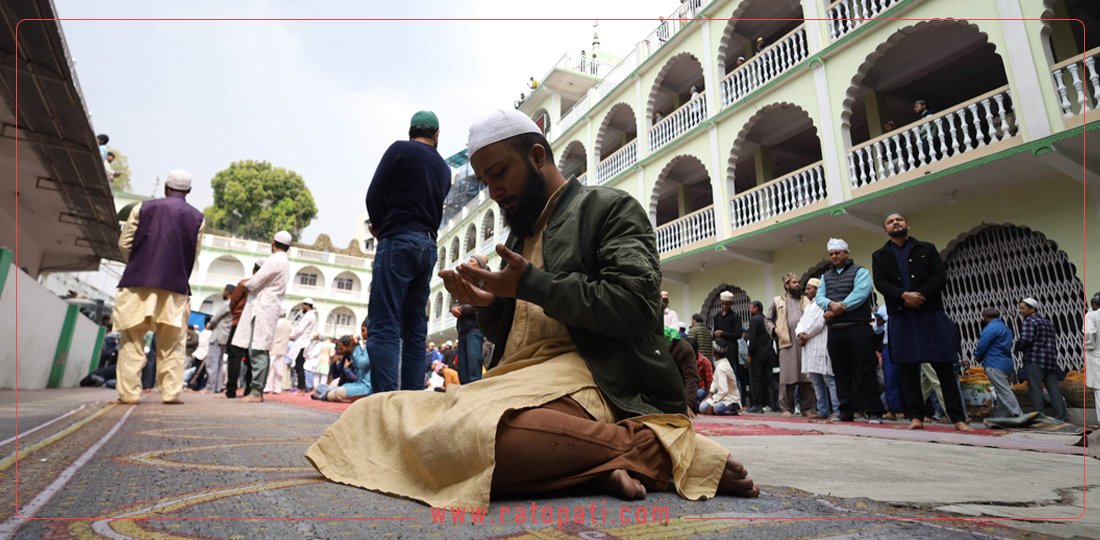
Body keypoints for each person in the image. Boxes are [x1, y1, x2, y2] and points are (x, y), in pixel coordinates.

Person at [306, 108, 757, 510]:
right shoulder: (520, 239)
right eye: (485, 181)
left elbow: (637, 307)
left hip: (595, 381)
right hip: (520, 383)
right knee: (375, 412)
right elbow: (523, 331)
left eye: (501, 173)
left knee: (481, 438)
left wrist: (534, 284)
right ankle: (604, 462)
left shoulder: (608, 208)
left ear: (537, 156)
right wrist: (489, 306)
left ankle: (652, 446)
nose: (495, 191)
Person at [365, 110, 452, 393]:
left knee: (385, 322)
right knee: (415, 327)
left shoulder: (400, 150)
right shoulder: (443, 168)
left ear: (411, 131)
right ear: (436, 135)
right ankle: (413, 400)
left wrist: (380, 226)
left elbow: (374, 194)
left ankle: (385, 401)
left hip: (398, 239)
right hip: (427, 246)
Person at [112, 169, 204, 405]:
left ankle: (129, 394)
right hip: (174, 286)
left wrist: (139, 262)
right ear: (189, 191)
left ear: (165, 187)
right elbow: (194, 253)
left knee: (132, 338)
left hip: (137, 282)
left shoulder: (142, 208)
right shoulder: (197, 217)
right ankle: (171, 393)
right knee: (171, 342)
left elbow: (125, 243)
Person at [871, 214, 971, 431]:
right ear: (885, 230)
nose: (896, 223)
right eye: (890, 221)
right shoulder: (880, 256)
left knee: (943, 366)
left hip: (930, 313)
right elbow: (880, 282)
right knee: (907, 369)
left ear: (908, 224)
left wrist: (920, 296)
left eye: (899, 219)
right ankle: (916, 417)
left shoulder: (926, 248)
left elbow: (939, 276)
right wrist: (903, 296)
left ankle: (958, 418)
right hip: (901, 316)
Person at [816, 238, 885, 423]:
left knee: (866, 370)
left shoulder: (860, 272)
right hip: (836, 331)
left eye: (837, 253)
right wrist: (830, 304)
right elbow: (819, 297)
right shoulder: (825, 277)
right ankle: (846, 411)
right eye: (831, 254)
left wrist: (841, 307)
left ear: (846, 253)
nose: (834, 256)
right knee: (841, 372)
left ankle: (874, 411)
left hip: (858, 328)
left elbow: (861, 293)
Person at [229, 231, 292, 403]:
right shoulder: (283, 261)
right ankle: (256, 389)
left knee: (258, 349)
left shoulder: (275, 259)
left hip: (264, 307)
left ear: (273, 243)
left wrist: (245, 284)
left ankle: (257, 391)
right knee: (257, 348)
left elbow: (255, 282)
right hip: (266, 307)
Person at [766, 273, 815, 418]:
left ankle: (807, 408)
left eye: (799, 282)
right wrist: (775, 330)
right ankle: (787, 408)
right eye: (794, 282)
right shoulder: (778, 301)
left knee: (806, 377)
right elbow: (767, 320)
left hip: (805, 343)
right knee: (787, 378)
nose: (798, 285)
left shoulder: (805, 300)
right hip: (786, 343)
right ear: (786, 285)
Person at [795, 278, 839, 420]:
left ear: (818, 289)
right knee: (816, 382)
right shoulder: (808, 307)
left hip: (820, 345)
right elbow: (800, 323)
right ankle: (823, 410)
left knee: (829, 380)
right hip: (808, 347)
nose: (806, 291)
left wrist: (805, 335)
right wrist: (800, 333)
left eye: (809, 288)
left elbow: (819, 323)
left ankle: (838, 410)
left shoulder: (823, 304)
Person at [1016, 297, 1067, 421]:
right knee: (1054, 389)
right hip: (1050, 362)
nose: (1020, 311)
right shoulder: (1047, 322)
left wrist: (1018, 345)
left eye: (1023, 308)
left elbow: (1026, 340)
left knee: (1035, 389)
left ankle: (1040, 417)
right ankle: (1061, 416)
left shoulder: (1029, 321)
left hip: (1034, 360)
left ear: (1032, 309)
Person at [974, 307, 1023, 418]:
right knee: (1000, 390)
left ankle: (1018, 415)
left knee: (1004, 390)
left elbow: (982, 345)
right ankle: (1002, 416)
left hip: (994, 363)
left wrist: (977, 357)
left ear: (985, 317)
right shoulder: (1005, 328)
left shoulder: (990, 328)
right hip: (1006, 363)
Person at [452, 255, 488, 384]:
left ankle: (474, 391)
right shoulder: (465, 282)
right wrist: (454, 308)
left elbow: (479, 303)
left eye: (472, 261)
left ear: (479, 265)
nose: (468, 263)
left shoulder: (482, 282)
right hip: (462, 329)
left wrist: (462, 309)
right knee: (463, 366)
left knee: (473, 363)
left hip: (474, 329)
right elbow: (456, 300)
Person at [746, 301, 777, 413]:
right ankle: (777, 403)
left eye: (751, 307)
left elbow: (753, 340)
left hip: (757, 355)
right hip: (768, 353)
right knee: (770, 379)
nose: (749, 309)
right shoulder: (766, 319)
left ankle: (757, 404)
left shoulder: (754, 320)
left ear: (756, 308)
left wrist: (749, 354)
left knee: (756, 380)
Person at [203, 285, 234, 393]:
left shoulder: (226, 304)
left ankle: (210, 387)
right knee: (220, 364)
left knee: (212, 363)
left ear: (227, 292)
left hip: (217, 336)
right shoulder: (234, 305)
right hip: (225, 337)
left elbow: (215, 318)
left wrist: (209, 325)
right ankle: (216, 387)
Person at [288, 298, 317, 393]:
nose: (302, 307)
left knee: (299, 365)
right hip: (303, 342)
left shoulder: (308, 316)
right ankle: (302, 387)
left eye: (303, 305)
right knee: (299, 364)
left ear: (306, 305)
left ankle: (301, 388)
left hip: (302, 342)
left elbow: (300, 329)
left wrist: (292, 336)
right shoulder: (311, 315)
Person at [265, 313, 292, 394]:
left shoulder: (276, 323)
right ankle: (277, 388)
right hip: (283, 348)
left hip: (274, 348)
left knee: (270, 369)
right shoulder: (288, 324)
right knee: (279, 370)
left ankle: (268, 387)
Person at [1084, 293, 1100, 424]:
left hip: (1097, 356)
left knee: (1099, 389)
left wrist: (1089, 346)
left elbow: (1088, 332)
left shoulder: (1092, 315)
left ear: (1094, 304)